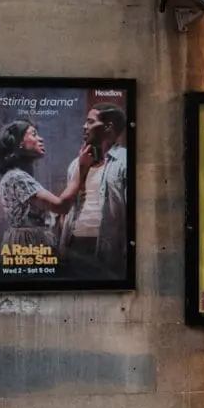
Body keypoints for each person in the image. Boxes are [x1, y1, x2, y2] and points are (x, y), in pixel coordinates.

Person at [0, 119, 93, 273]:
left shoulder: (18, 176)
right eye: (34, 134)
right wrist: (82, 167)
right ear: (19, 144)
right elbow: (61, 206)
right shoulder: (17, 177)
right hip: (27, 245)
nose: (41, 139)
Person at [58, 105, 128, 280]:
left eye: (90, 122)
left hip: (108, 250)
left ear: (108, 127)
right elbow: (67, 209)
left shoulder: (124, 161)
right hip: (74, 246)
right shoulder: (76, 164)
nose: (84, 127)